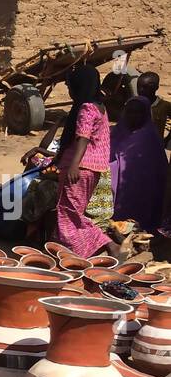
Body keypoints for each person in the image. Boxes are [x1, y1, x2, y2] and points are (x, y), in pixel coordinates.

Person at [53, 64, 120, 259]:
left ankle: (107, 245)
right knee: (74, 212)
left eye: (71, 88)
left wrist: (74, 164)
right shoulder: (101, 108)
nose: (70, 92)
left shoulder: (86, 108)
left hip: (79, 168)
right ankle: (80, 251)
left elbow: (83, 137)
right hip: (94, 168)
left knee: (67, 214)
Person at [110, 94, 167, 232]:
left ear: (146, 114)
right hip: (114, 191)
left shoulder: (150, 137)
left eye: (138, 112)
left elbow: (159, 171)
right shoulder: (117, 131)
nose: (133, 116)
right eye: (130, 112)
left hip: (142, 192)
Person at [137, 71, 171, 147]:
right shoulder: (134, 104)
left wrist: (167, 139)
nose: (140, 90)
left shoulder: (164, 106)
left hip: (156, 148)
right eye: (138, 87)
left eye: (145, 87)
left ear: (156, 88)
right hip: (137, 148)